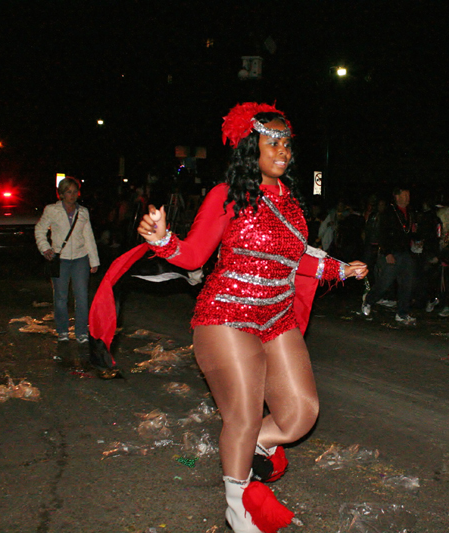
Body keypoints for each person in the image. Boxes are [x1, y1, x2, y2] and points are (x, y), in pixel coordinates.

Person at [136, 103, 367, 533]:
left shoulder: (293, 203)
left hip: (276, 315)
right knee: (240, 416)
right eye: (272, 142)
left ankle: (252, 445)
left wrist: (341, 268)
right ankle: (237, 503)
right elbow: (193, 255)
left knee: (300, 414)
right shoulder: (227, 195)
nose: (283, 151)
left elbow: (297, 258)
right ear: (250, 147)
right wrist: (164, 239)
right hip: (226, 315)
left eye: (287, 144)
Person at [35, 177, 100, 343]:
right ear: (61, 194)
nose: (72, 195)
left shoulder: (83, 212)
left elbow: (88, 236)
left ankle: (81, 332)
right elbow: (40, 229)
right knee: (61, 297)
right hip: (60, 259)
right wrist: (46, 249)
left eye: (75, 192)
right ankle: (62, 330)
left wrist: (94, 261)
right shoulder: (52, 210)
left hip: (80, 258)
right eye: (68, 192)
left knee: (82, 296)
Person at [361, 186, 417, 325]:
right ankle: (369, 299)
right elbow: (383, 233)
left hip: (405, 253)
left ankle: (402, 313)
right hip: (392, 252)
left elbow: (409, 232)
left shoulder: (410, 213)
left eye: (408, 195)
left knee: (406, 284)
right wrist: (387, 252)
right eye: (404, 195)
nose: (407, 198)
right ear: (397, 196)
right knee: (385, 283)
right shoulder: (389, 212)